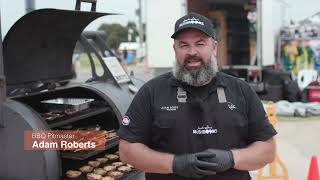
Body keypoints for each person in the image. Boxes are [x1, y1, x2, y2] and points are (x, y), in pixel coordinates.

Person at [117, 12, 277, 180]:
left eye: (200, 43)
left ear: (214, 47)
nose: (192, 52)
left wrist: (232, 158)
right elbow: (127, 150)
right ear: (175, 49)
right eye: (183, 45)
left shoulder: (241, 90)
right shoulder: (152, 92)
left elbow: (267, 150)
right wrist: (174, 163)